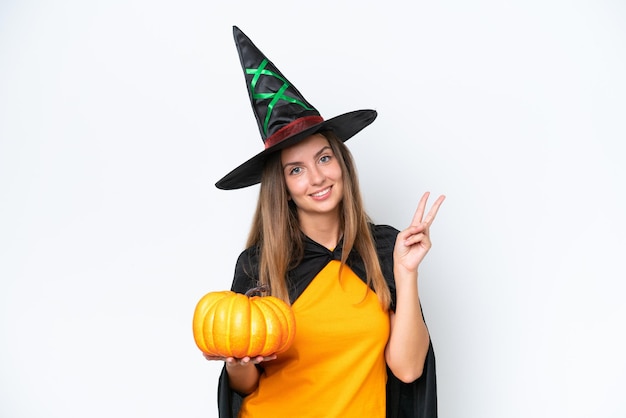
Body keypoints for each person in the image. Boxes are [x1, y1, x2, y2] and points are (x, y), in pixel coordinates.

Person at [206, 26, 445, 418]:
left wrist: (405, 273)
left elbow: (408, 369)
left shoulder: (384, 250)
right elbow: (243, 385)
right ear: (282, 187)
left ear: (341, 163)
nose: (316, 178)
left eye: (323, 158)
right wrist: (237, 361)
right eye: (296, 169)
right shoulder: (258, 265)